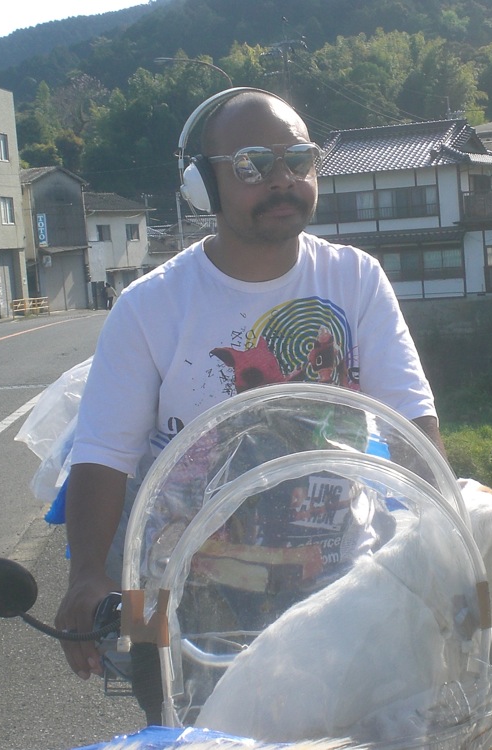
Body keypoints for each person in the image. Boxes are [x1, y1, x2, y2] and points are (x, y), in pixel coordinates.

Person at [53, 89, 444, 711]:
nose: (282, 180)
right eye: (252, 166)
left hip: (334, 594)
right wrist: (87, 575)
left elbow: (410, 424)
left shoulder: (356, 278)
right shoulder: (150, 307)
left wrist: (448, 536)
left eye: (298, 160)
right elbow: (104, 455)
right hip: (182, 603)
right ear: (201, 186)